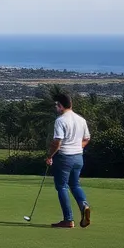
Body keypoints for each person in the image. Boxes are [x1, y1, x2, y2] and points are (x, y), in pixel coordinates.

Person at [46, 92, 90, 228]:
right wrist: (77, 147)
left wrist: (50, 156)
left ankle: (68, 219)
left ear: (60, 105)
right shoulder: (81, 120)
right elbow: (87, 138)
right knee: (75, 185)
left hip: (64, 157)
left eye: (56, 105)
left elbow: (57, 142)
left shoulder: (60, 120)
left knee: (62, 187)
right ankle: (84, 205)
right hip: (78, 157)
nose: (55, 108)